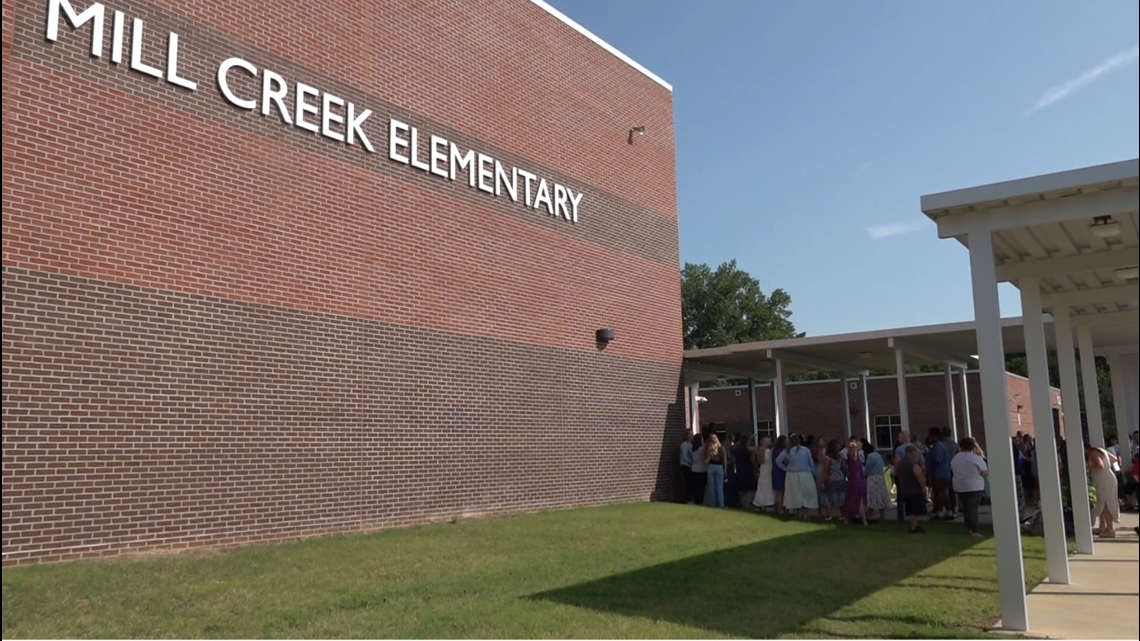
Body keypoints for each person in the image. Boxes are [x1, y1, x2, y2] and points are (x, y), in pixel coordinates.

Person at [951, 437, 989, 537]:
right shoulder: (976, 458)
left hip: (960, 485)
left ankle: (969, 528)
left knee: (967, 508)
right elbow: (985, 473)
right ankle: (974, 530)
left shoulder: (955, 458)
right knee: (972, 509)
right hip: (974, 486)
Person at [777, 434, 818, 520]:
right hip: (805, 474)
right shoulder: (805, 450)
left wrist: (786, 468)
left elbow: (778, 461)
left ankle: (799, 513)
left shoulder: (788, 451)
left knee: (796, 495)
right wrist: (814, 474)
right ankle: (805, 514)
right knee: (806, 494)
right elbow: (811, 463)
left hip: (792, 475)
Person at [1086, 442, 1119, 538]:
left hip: (1104, 480)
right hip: (1107, 477)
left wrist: (1088, 468)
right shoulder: (1101, 450)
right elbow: (1114, 459)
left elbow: (1100, 465)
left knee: (1106, 503)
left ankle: (1110, 530)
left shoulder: (1092, 454)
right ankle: (1103, 526)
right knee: (1102, 502)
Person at [896, 445, 928, 533]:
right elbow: (918, 475)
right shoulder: (912, 463)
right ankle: (914, 527)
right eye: (915, 452)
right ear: (911, 452)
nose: (916, 454)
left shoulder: (901, 462)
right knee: (914, 509)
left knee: (910, 509)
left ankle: (914, 525)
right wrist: (923, 487)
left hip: (905, 489)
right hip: (914, 489)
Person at [925, 429, 952, 520]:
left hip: (939, 474)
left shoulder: (937, 447)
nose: (928, 438)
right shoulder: (940, 446)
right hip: (944, 473)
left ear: (935, 436)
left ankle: (940, 512)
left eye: (930, 436)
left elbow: (937, 461)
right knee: (944, 493)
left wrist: (931, 474)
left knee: (939, 493)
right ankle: (949, 512)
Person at [818, 439, 846, 521]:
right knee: (840, 497)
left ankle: (829, 515)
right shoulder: (840, 458)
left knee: (827, 497)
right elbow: (844, 468)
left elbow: (825, 471)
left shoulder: (828, 459)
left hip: (831, 480)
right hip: (840, 479)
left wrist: (823, 481)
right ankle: (842, 514)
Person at [843, 437, 868, 525]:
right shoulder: (853, 454)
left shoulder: (852, 454)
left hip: (856, 478)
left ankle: (847, 519)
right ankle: (864, 520)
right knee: (858, 499)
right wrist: (855, 448)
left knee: (851, 498)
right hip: (856, 479)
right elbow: (853, 457)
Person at [862, 441, 890, 522]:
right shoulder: (878, 455)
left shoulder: (870, 457)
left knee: (872, 496)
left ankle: (868, 515)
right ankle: (882, 516)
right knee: (880, 495)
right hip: (880, 477)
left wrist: (864, 475)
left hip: (873, 478)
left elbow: (868, 468)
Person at [752, 436, 776, 510]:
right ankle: (768, 502)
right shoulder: (768, 451)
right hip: (768, 468)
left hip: (762, 468)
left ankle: (759, 502)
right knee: (768, 485)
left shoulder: (760, 450)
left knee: (761, 485)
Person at [704, 433, 727, 508]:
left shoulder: (710, 448)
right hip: (719, 467)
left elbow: (707, 461)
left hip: (711, 466)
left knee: (712, 486)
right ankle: (721, 504)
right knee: (720, 487)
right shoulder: (721, 447)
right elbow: (724, 459)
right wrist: (725, 469)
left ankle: (713, 503)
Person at [771, 435, 788, 515]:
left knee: (779, 492)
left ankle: (779, 508)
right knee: (781, 491)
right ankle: (781, 509)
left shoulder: (774, 451)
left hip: (775, 472)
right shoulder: (782, 451)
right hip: (781, 472)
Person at [691, 434, 708, 506]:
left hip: (694, 469)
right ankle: (700, 501)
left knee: (696, 487)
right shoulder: (703, 449)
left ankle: (696, 500)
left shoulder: (693, 449)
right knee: (701, 487)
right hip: (702, 470)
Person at [679, 433, 694, 503]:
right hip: (686, 465)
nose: (692, 436)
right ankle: (688, 499)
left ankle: (690, 498)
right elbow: (684, 456)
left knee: (690, 482)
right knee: (688, 482)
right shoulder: (685, 445)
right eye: (691, 434)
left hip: (689, 465)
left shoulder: (691, 445)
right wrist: (691, 463)